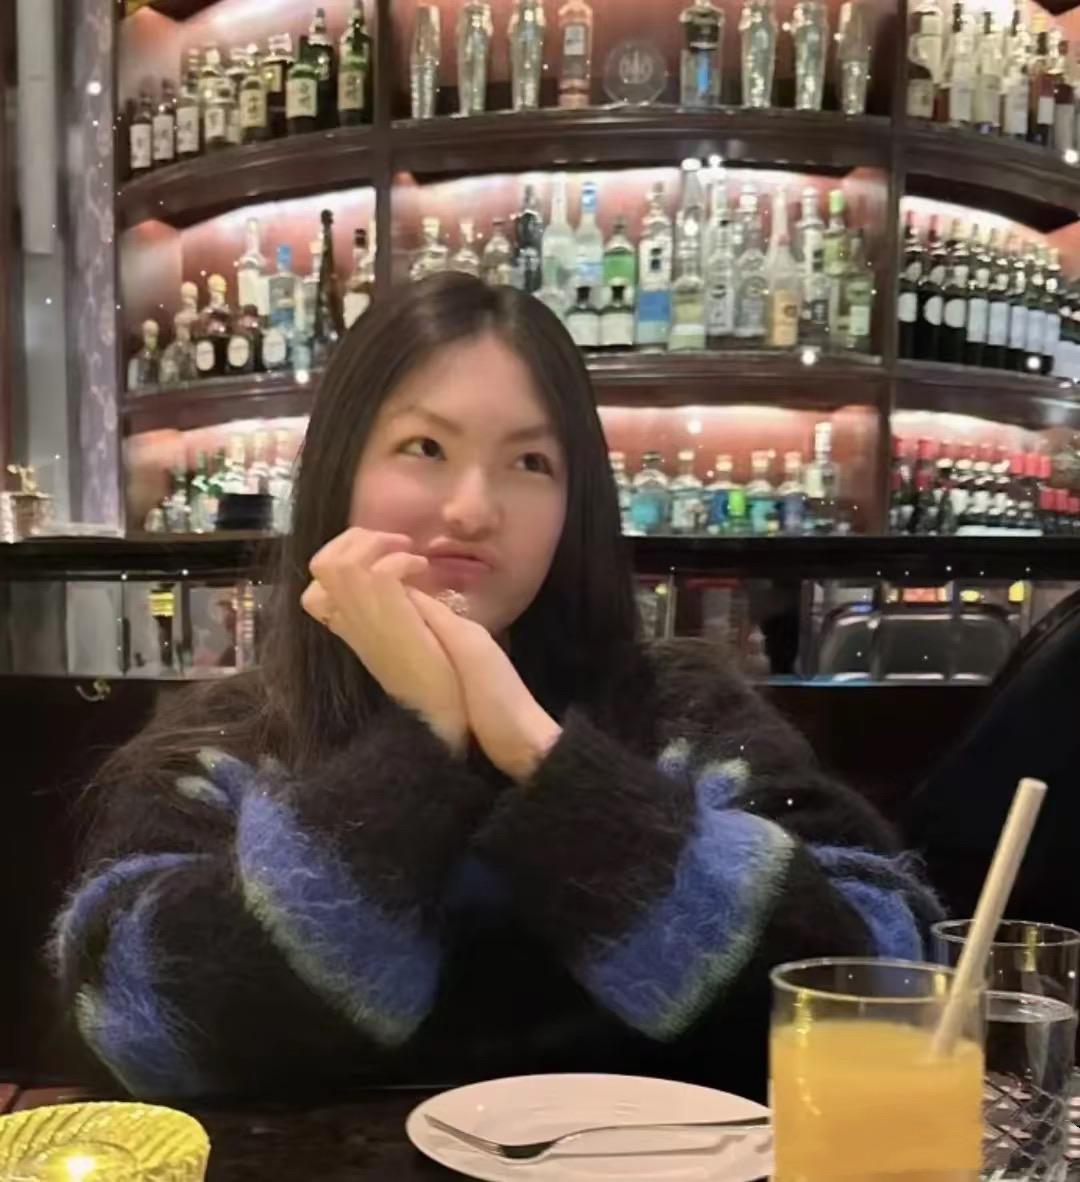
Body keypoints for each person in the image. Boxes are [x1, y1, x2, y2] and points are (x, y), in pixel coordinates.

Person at [54, 274, 940, 1103]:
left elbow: (888, 984)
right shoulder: (228, 740)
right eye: (425, 447)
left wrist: (543, 759)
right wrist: (419, 741)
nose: (473, 509)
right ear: (338, 470)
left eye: (530, 463)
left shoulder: (681, 710)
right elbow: (134, 1025)